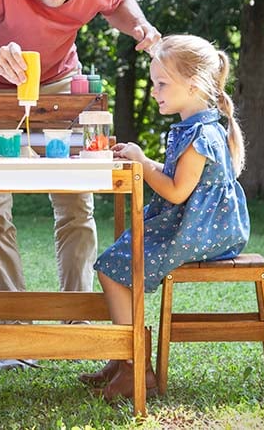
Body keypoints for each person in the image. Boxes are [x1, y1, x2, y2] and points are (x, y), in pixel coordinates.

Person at [0, 0, 161, 371]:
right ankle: (16, 332)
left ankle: (73, 325)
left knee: (77, 204)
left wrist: (139, 26)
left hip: (59, 83)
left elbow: (116, 3)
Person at [78, 34, 250, 400]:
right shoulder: (196, 127)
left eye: (161, 83)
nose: (154, 90)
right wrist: (143, 160)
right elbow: (177, 179)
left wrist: (142, 163)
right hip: (196, 224)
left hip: (202, 231)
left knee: (111, 267)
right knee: (118, 256)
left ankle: (135, 367)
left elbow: (175, 191)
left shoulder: (201, 134)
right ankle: (124, 355)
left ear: (192, 85)